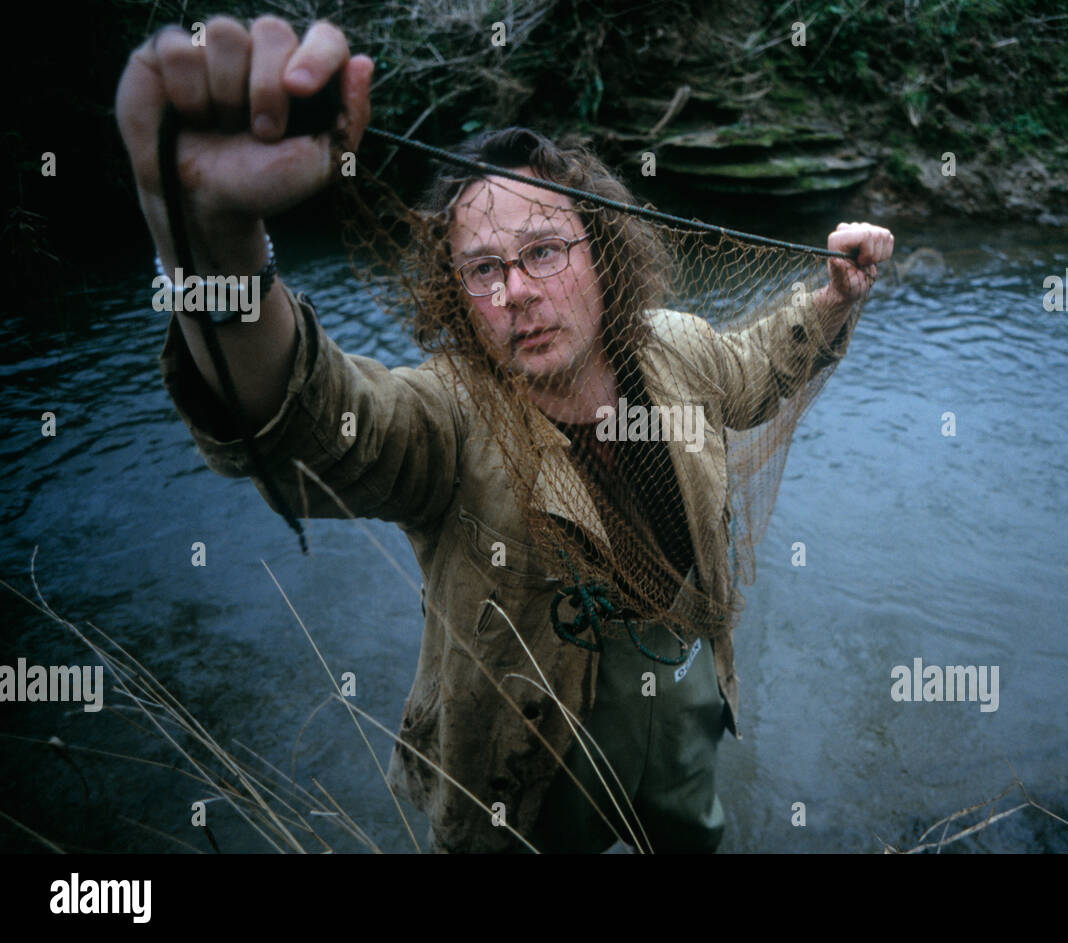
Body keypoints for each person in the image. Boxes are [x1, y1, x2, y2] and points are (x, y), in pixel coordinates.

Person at [116, 16, 893, 853]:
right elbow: (310, 416)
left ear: (603, 255)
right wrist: (210, 242)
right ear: (457, 295)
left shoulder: (677, 350)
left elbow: (756, 363)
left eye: (544, 252)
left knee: (690, 829)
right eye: (485, 269)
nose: (517, 291)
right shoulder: (448, 419)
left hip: (680, 683)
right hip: (525, 769)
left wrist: (833, 297)